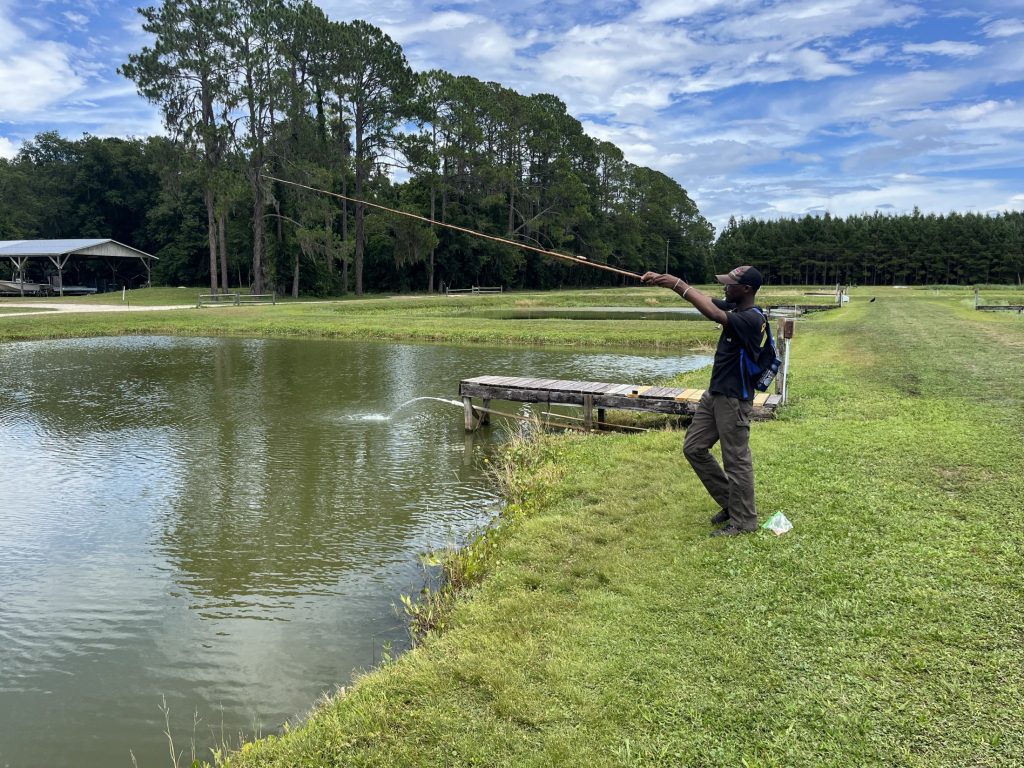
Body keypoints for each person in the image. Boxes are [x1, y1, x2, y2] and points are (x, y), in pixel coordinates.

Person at [640, 265, 767, 537]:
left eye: (730, 284)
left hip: (734, 399)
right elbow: (708, 301)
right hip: (716, 394)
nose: (724, 287)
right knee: (694, 447)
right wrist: (670, 283)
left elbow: (712, 312)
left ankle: (745, 521)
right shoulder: (737, 310)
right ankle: (731, 504)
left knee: (736, 460)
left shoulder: (751, 319)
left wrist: (676, 283)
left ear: (746, 289)